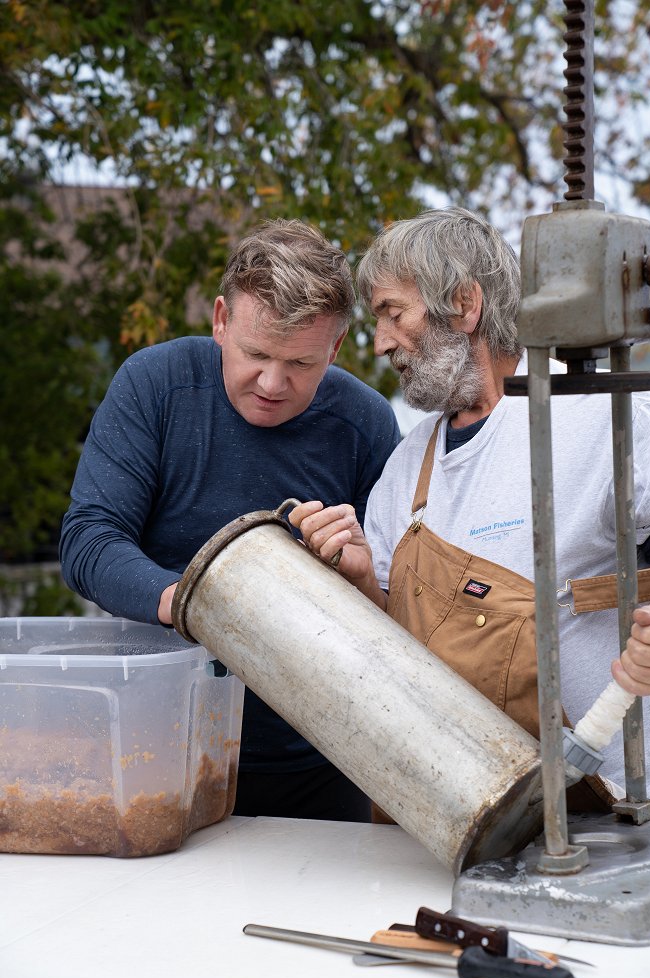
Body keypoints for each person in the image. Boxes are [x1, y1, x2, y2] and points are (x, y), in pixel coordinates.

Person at [290, 206, 650, 810]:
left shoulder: (599, 419)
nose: (383, 342)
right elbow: (396, 653)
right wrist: (359, 577)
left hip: (619, 809)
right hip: (465, 814)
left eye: (393, 313)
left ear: (465, 305)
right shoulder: (407, 469)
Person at [60, 218, 401, 822]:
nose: (272, 383)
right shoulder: (154, 386)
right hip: (159, 747)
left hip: (321, 763)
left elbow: (398, 619)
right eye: (256, 354)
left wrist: (360, 577)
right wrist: (190, 604)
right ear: (221, 319)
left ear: (337, 347)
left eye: (300, 363)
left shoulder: (367, 424)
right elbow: (89, 540)